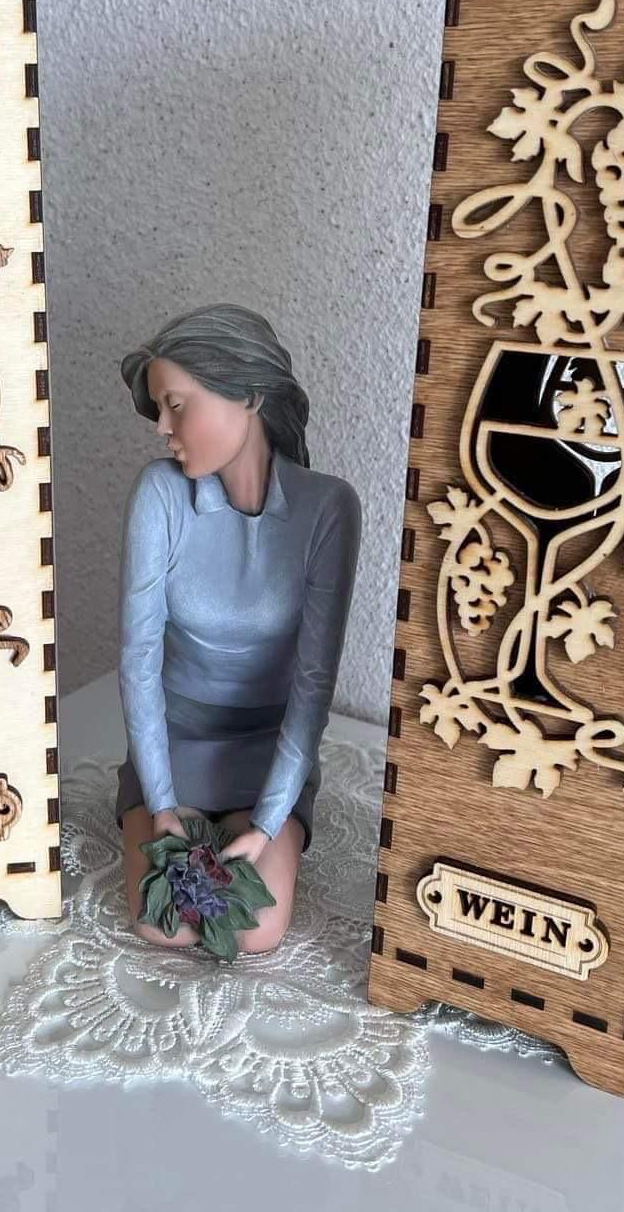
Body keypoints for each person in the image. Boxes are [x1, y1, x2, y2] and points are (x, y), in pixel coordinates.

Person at [115, 302, 362, 954]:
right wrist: (161, 805)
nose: (163, 428)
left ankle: (256, 823)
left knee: (253, 929)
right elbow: (138, 660)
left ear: (249, 397)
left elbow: (313, 684)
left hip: (269, 754)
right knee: (165, 922)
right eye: (160, 410)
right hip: (171, 747)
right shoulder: (160, 494)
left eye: (176, 405)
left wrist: (270, 818)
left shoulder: (327, 508)